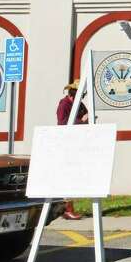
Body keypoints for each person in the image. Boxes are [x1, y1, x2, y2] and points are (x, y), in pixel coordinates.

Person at [55, 79, 88, 220]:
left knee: (73, 175)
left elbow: (86, 115)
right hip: (66, 143)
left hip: (77, 142)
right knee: (66, 175)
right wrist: (81, 121)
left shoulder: (79, 104)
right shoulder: (64, 104)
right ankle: (66, 209)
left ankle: (67, 208)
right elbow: (62, 123)